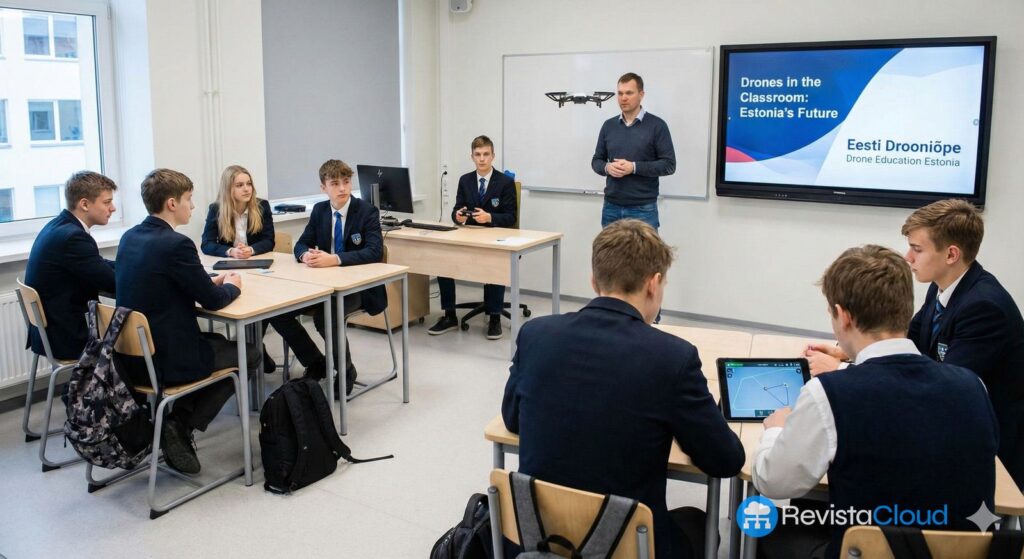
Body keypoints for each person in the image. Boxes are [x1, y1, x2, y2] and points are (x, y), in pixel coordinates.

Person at [502, 219, 743, 559]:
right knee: (699, 524)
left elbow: (512, 419)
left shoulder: (536, 334)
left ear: (593, 281)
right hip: (628, 546)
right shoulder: (673, 358)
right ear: (653, 284)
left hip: (539, 538)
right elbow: (725, 460)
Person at [753, 245, 998, 559]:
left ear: (843, 316)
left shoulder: (830, 394)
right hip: (961, 552)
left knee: (767, 526)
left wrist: (775, 431)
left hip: (867, 552)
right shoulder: (972, 386)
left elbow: (774, 482)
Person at [804, 199, 1024, 489]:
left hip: (993, 454)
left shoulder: (984, 307)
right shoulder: (943, 285)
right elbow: (908, 337)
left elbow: (943, 391)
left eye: (917, 249)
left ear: (951, 254)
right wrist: (853, 350)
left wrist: (844, 371)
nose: (908, 258)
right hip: (947, 429)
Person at [115, 168, 260, 475]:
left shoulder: (129, 237)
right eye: (188, 199)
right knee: (249, 351)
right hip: (168, 360)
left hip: (132, 361)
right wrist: (233, 284)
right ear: (171, 203)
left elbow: (168, 281)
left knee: (220, 343)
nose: (192, 206)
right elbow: (213, 301)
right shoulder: (177, 244)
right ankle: (180, 423)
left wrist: (208, 280)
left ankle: (170, 419)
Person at [292, 159, 387, 397]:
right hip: (324, 285)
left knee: (327, 316)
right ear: (323, 187)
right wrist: (305, 256)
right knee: (280, 313)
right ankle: (315, 360)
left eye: (346, 182)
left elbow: (374, 252)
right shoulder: (320, 210)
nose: (342, 188)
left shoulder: (366, 211)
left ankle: (345, 372)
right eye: (335, 183)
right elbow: (301, 243)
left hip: (360, 289)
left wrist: (334, 259)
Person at [428, 135, 517, 340]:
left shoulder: (505, 182)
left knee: (495, 262)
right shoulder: (465, 180)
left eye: (486, 154)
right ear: (472, 157)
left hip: (495, 237)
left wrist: (490, 217)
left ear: (493, 156)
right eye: (478, 155)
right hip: (468, 236)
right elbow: (456, 211)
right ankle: (449, 315)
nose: (482, 159)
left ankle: (494, 316)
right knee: (444, 260)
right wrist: (457, 216)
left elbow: (511, 217)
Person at [25, 171, 118, 360]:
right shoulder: (73, 237)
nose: (113, 208)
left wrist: (128, 264)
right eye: (107, 202)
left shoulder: (59, 225)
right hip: (67, 334)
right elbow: (112, 282)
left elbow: (96, 263)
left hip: (48, 330)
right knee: (139, 340)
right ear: (84, 204)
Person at [591, 72, 675, 230]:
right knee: (609, 255)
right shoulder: (608, 126)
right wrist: (607, 168)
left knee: (645, 255)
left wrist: (634, 168)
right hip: (611, 207)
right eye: (620, 93)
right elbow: (596, 161)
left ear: (641, 94)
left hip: (643, 209)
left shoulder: (657, 126)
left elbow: (669, 165)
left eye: (629, 93)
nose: (623, 98)